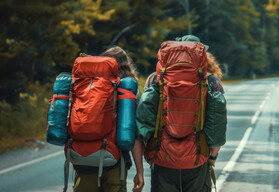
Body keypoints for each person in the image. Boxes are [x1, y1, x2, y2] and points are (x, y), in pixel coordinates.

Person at [132, 35, 227, 192]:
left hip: (162, 158)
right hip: (197, 159)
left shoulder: (154, 79)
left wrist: (143, 165)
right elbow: (217, 124)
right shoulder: (211, 82)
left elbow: (142, 124)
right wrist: (212, 157)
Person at [73, 46, 139, 192]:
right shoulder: (128, 88)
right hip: (115, 161)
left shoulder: (82, 85)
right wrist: (140, 171)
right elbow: (133, 132)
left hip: (82, 159)